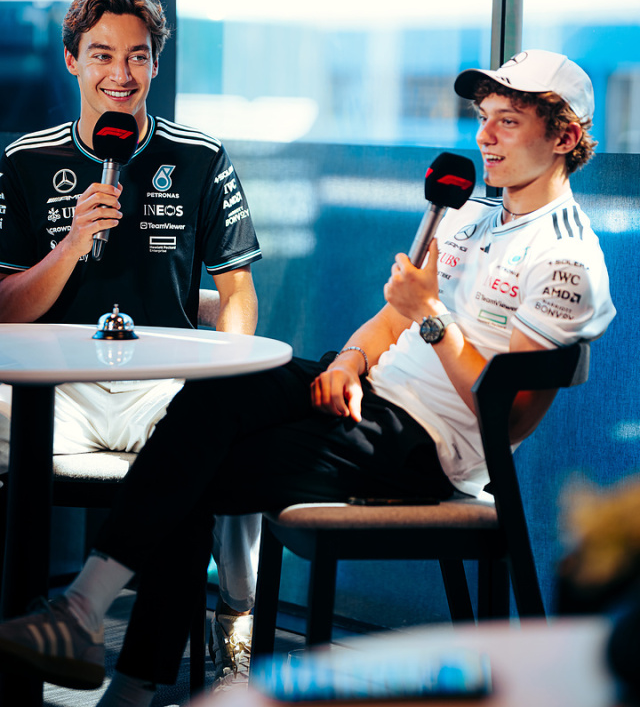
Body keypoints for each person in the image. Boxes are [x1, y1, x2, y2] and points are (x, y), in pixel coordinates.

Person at [0, 49, 616, 704]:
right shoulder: (468, 215)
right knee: (214, 391)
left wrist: (431, 317)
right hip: (366, 392)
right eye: (484, 117)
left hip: (426, 445)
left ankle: (107, 655)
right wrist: (349, 362)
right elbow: (388, 321)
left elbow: (509, 413)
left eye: (508, 122)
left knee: (193, 468)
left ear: (565, 137)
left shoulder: (567, 258)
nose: (484, 136)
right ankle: (87, 621)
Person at [0, 0, 264, 701]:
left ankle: (191, 653)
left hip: (163, 390)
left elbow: (237, 293)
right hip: (55, 392)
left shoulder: (200, 157)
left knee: (220, 444)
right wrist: (71, 243)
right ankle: (28, 641)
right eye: (102, 55)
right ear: (71, 61)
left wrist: (222, 372)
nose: (121, 73)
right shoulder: (24, 160)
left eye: (138, 56)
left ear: (155, 64)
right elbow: (5, 309)